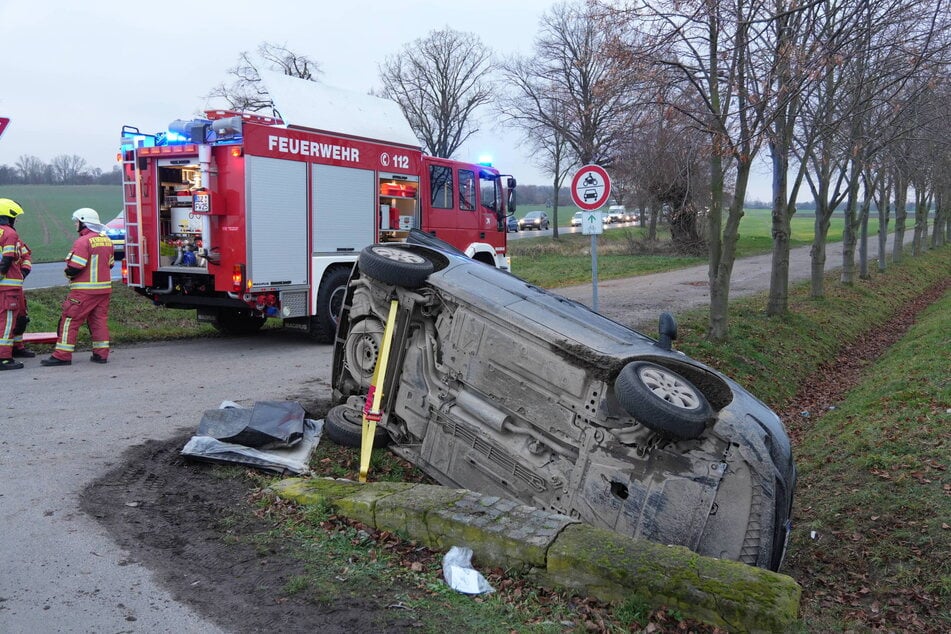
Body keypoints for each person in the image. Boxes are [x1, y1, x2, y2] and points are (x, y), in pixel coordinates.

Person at [41, 208, 115, 367]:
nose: (76, 224)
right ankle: (101, 355)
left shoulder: (83, 241)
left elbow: (75, 267)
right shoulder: (107, 240)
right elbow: (110, 264)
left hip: (83, 292)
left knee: (69, 320)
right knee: (99, 322)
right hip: (103, 291)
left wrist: (68, 274)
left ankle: (62, 355)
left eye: (77, 221)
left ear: (84, 222)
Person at [0, 198, 29, 370]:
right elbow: (9, 258)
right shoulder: (10, 234)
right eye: (15, 217)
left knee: (12, 318)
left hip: (10, 286)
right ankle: (4, 358)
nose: (16, 221)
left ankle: (15, 349)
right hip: (8, 287)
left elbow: (25, 256)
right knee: (6, 321)